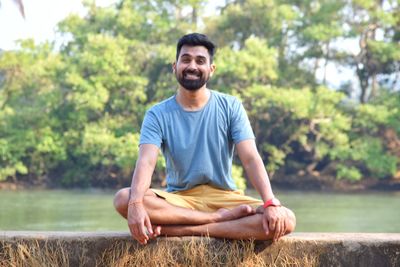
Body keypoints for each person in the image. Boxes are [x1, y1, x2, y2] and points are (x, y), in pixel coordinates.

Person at [113, 33, 296, 245]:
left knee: (286, 219)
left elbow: (250, 158)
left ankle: (182, 230)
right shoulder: (157, 114)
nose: (192, 66)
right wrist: (135, 204)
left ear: (211, 69)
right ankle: (214, 221)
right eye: (186, 59)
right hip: (180, 200)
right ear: (175, 66)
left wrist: (270, 202)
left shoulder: (230, 106)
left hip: (225, 198)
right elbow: (146, 161)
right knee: (124, 199)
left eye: (200, 61)